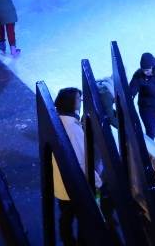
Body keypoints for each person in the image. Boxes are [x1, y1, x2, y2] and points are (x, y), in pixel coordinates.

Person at [52, 87, 102, 246]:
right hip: (74, 183)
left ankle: (67, 240)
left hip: (60, 182)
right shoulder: (73, 129)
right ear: (71, 103)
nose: (80, 102)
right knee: (82, 215)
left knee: (65, 215)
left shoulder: (56, 120)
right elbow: (82, 158)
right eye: (78, 99)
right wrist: (97, 181)